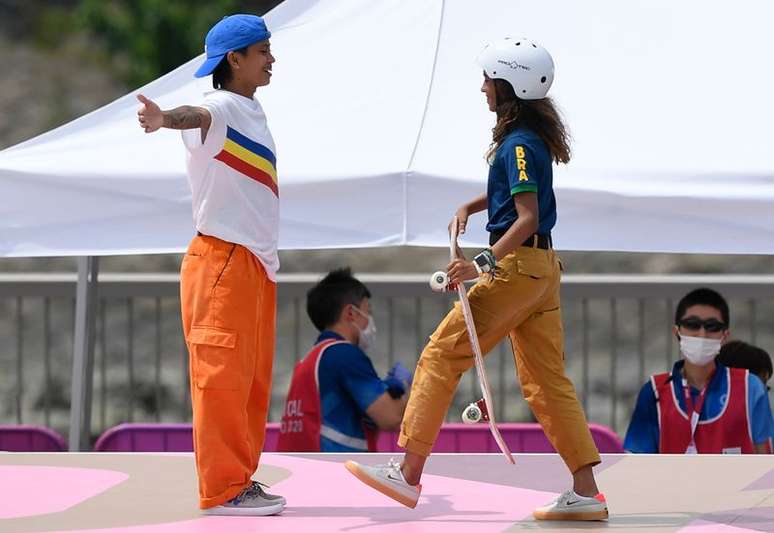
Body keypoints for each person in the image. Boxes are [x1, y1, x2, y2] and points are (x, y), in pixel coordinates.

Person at [344, 38, 608, 521]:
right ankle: (587, 491)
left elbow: (527, 217)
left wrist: (481, 263)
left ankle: (408, 473)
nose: (483, 87)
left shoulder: (518, 144)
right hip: (541, 270)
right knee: (547, 384)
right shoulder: (527, 139)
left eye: (488, 79)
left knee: (441, 355)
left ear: (509, 85)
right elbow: (519, 198)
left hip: (517, 270)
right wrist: (472, 205)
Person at [136, 14, 285, 516]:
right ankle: (222, 489)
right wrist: (163, 119)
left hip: (253, 265)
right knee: (221, 381)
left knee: (251, 383)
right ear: (234, 60)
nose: (271, 59)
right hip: (223, 261)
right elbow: (194, 116)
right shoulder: (219, 107)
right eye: (262, 51)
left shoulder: (249, 109)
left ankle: (238, 481)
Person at [624, 288, 774, 454]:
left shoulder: (751, 388)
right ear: (677, 331)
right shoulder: (654, 392)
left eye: (712, 326)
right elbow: (636, 462)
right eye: (692, 324)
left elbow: (767, 461)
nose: (702, 334)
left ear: (724, 335)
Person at [277, 268, 411, 452]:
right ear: (350, 313)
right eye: (368, 311)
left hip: (304, 465)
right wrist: (406, 386)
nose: (370, 320)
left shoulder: (309, 360)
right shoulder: (344, 355)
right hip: (336, 467)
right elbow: (391, 418)